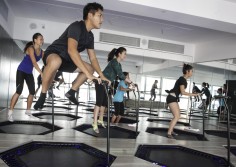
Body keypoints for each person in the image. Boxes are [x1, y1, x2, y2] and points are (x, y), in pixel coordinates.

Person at [34, 2, 109, 110]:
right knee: (56, 62)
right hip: (54, 53)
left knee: (90, 68)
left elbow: (93, 58)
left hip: (67, 60)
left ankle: (71, 92)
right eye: (100, 15)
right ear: (90, 15)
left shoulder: (90, 36)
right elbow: (72, 50)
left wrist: (101, 75)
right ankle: (43, 95)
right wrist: (88, 75)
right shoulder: (77, 26)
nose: (102, 19)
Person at [92, 47, 134, 133]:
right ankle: (94, 123)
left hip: (106, 84)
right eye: (124, 53)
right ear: (119, 54)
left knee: (104, 103)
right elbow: (121, 75)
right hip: (100, 82)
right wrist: (131, 82)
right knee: (99, 103)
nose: (125, 55)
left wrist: (129, 82)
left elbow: (120, 75)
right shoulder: (114, 62)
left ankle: (100, 120)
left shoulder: (119, 64)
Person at [8, 33, 44, 122]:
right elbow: (34, 63)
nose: (42, 41)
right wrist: (41, 73)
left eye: (42, 39)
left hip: (29, 72)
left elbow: (46, 62)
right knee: (18, 91)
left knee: (32, 92)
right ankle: (10, 113)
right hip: (21, 71)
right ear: (35, 40)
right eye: (40, 39)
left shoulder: (42, 52)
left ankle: (28, 111)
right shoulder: (30, 48)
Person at [166, 64, 198, 139]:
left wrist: (194, 94)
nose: (192, 73)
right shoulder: (182, 80)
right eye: (192, 71)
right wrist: (194, 95)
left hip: (173, 98)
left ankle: (171, 130)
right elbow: (183, 92)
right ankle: (169, 133)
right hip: (171, 98)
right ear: (187, 71)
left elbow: (180, 91)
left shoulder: (183, 79)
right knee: (177, 116)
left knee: (176, 116)